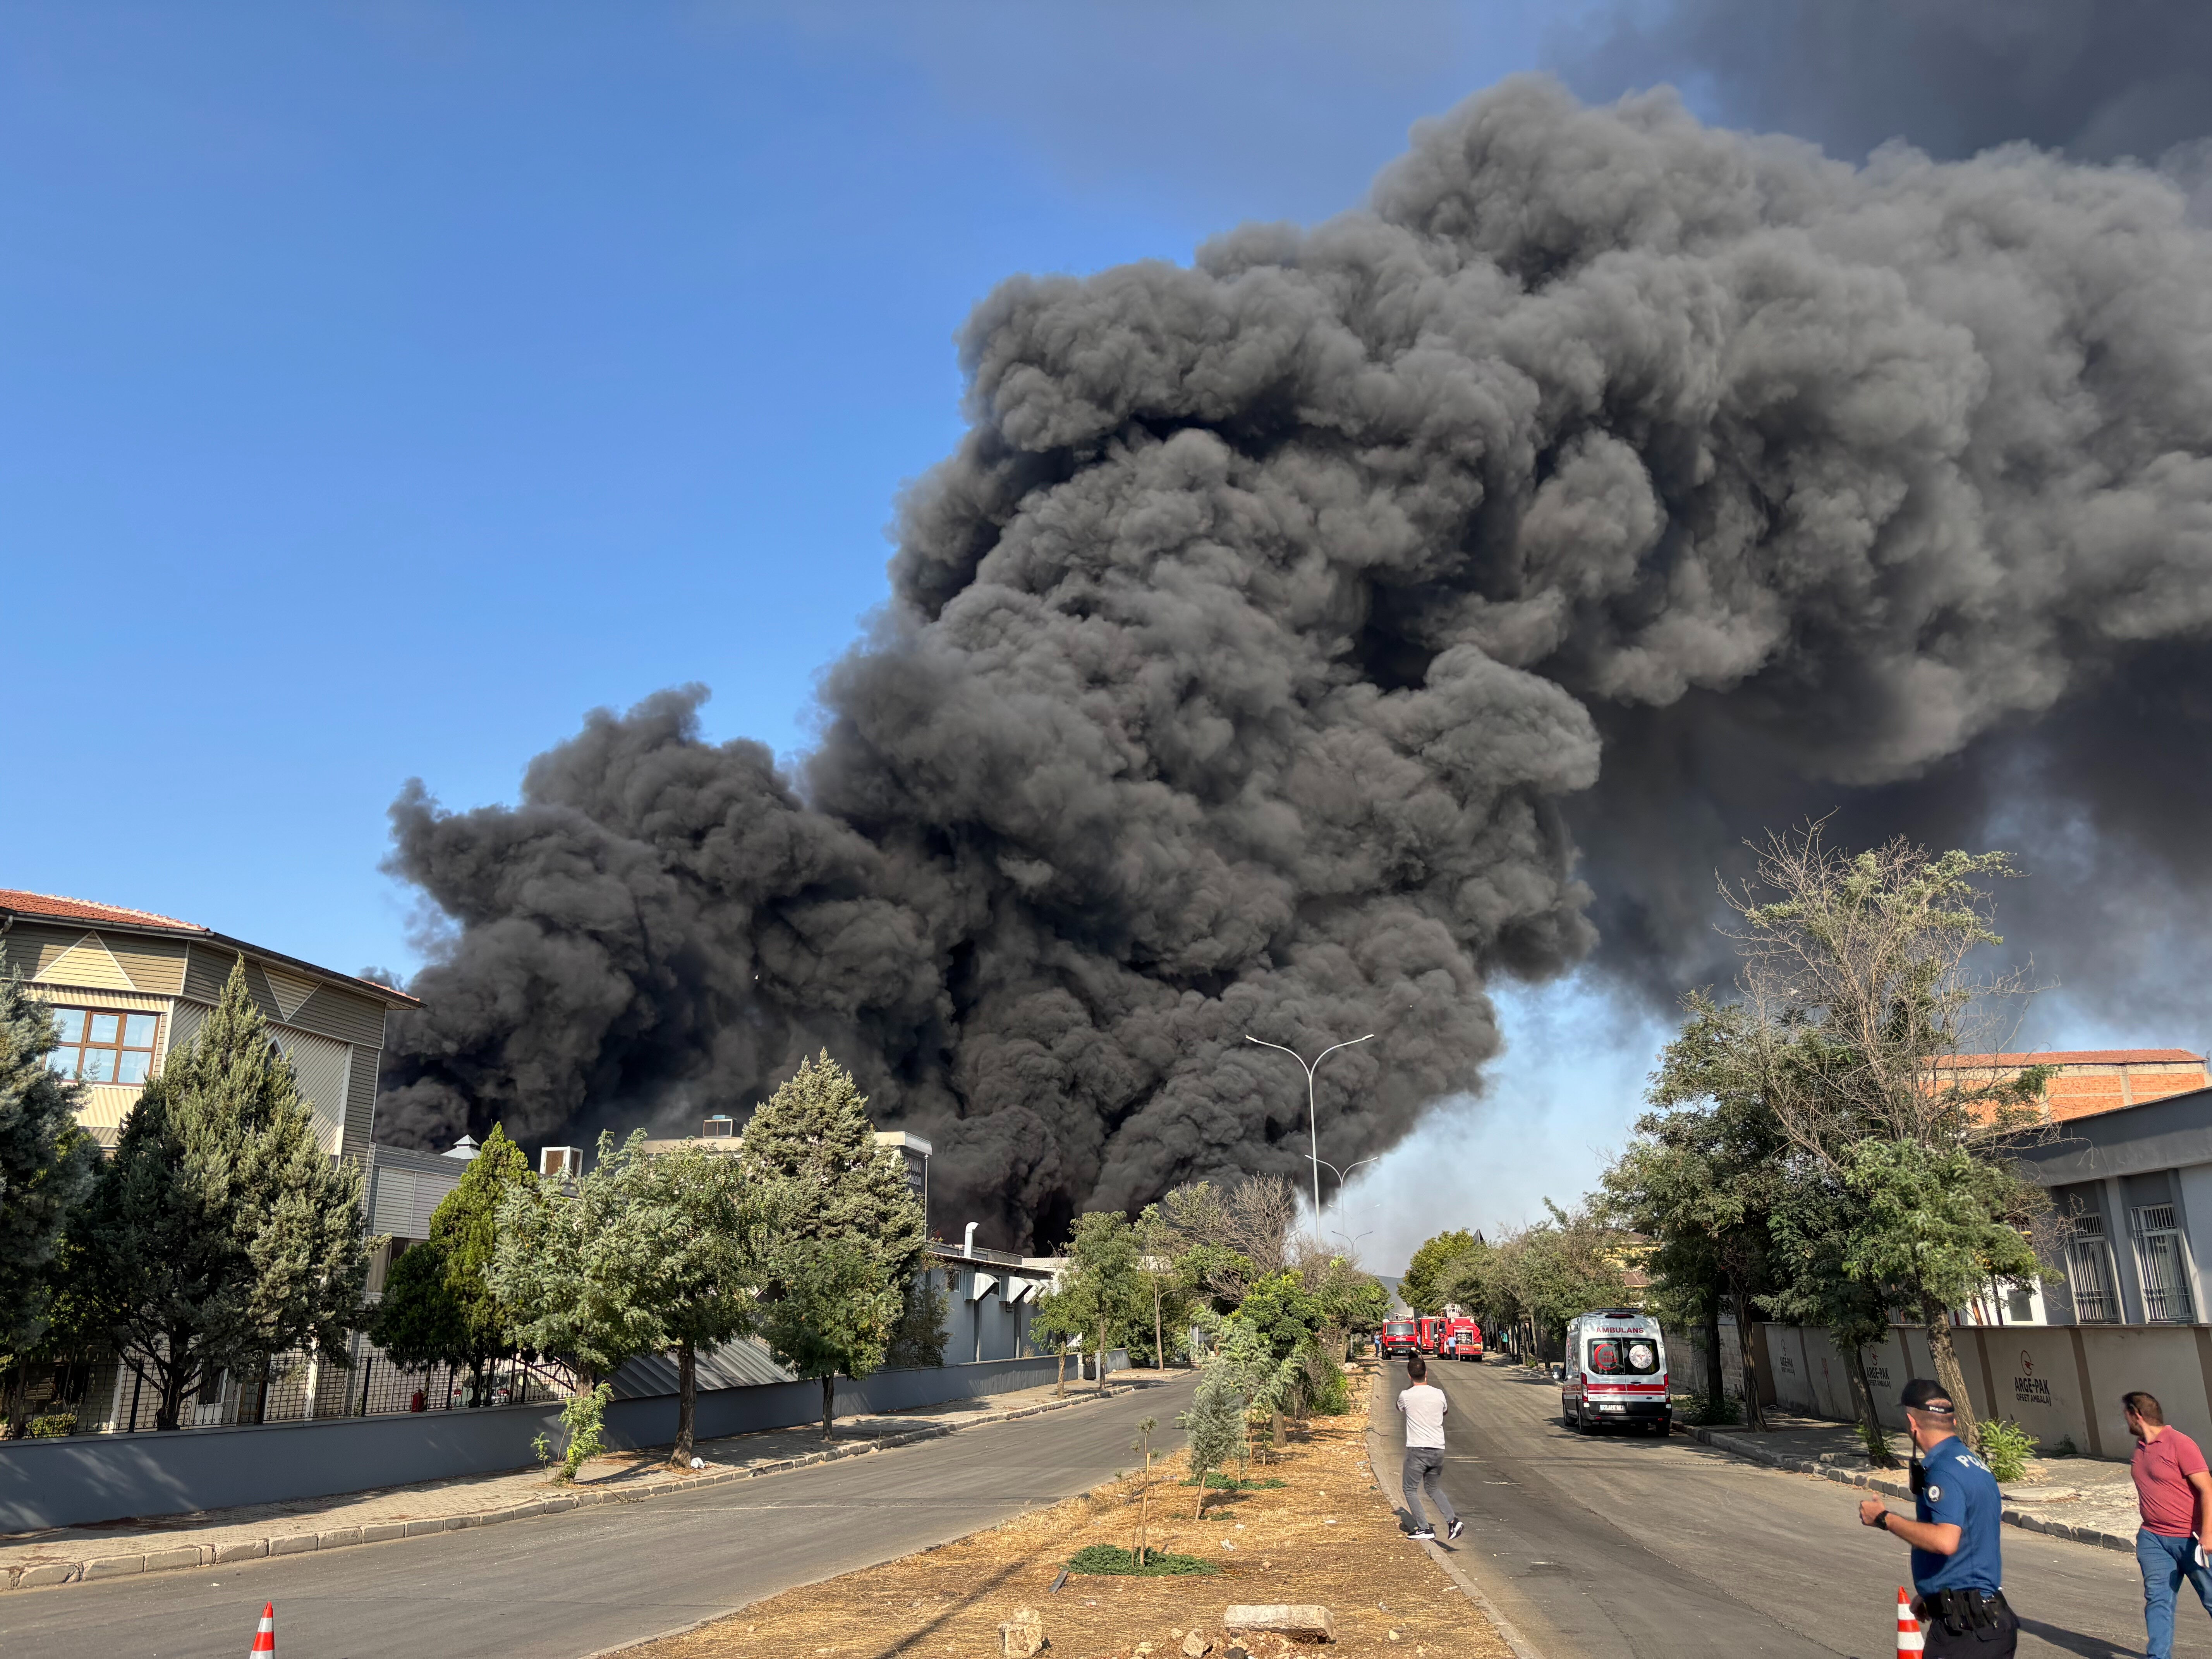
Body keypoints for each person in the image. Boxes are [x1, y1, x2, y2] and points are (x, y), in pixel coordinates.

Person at [1857, 1379, 2016, 1657]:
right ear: (1953, 1422)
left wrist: (1885, 1518)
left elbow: (1946, 1541)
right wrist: (1936, 1595)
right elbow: (1973, 1538)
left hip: (1966, 1633)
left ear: (1911, 1423)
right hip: (1984, 1620)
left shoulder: (1942, 1471)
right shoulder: (1971, 1462)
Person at [2124, 1390, 2212, 1659]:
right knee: (2158, 1601)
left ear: (2137, 1415)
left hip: (2192, 1539)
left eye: (2126, 1415)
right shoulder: (2141, 1447)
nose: (2125, 1421)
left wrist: (2208, 1534)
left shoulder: (2180, 1443)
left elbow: (2207, 1489)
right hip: (2153, 1539)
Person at [1398, 1355, 1462, 1543]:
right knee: (1432, 1488)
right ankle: (1452, 1521)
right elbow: (1445, 1411)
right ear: (1426, 1373)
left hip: (1418, 1450)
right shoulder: (1439, 1394)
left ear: (1410, 1376)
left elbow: (1400, 1408)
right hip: (1438, 1450)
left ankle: (1424, 1528)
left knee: (1409, 1489)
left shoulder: (1406, 1395)